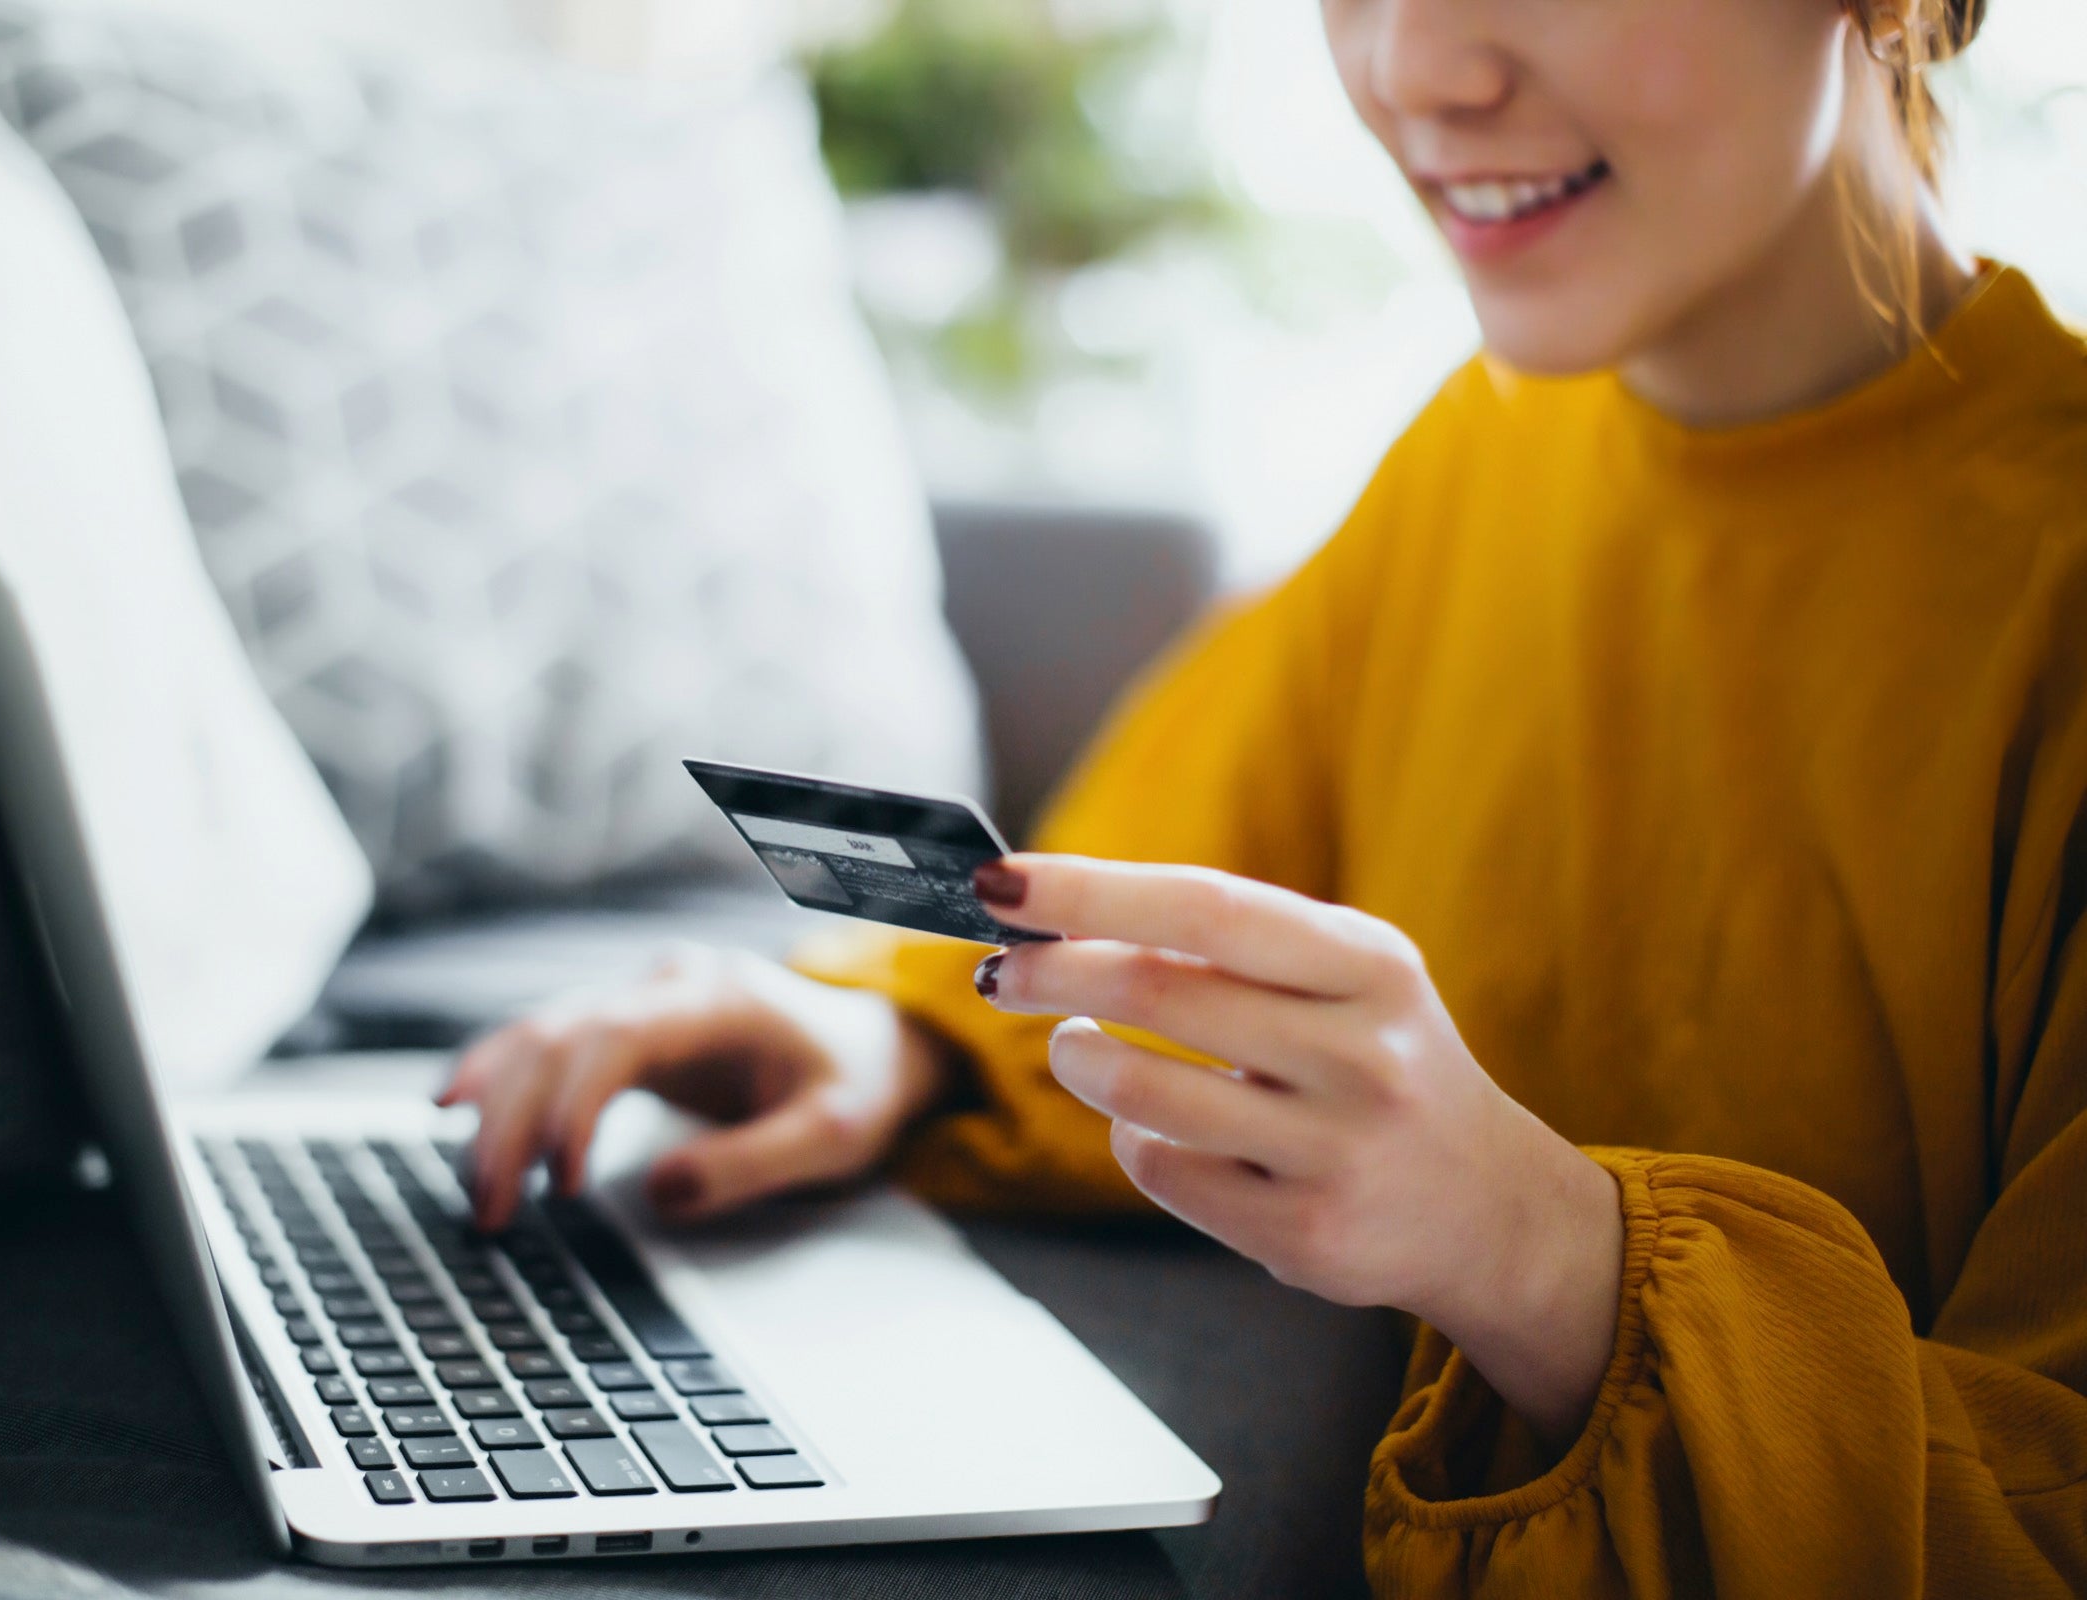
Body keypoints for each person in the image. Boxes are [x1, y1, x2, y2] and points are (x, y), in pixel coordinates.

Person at [439, 0, 2087, 1588]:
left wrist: (1540, 1250)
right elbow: (1165, 906)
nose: (1411, 66)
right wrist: (891, 1044)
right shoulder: (1482, 453)